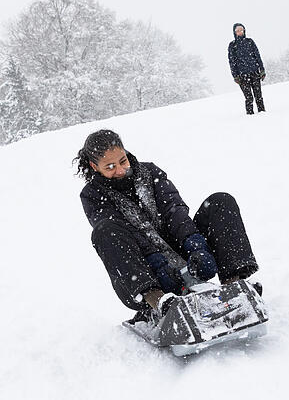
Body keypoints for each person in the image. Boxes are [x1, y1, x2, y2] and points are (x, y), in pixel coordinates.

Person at [76, 129, 260, 318]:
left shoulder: (149, 172)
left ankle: (234, 285)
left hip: (184, 256)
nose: (121, 170)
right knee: (105, 231)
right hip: (145, 272)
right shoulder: (93, 195)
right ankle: (158, 301)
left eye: (123, 161)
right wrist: (158, 265)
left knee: (221, 201)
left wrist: (196, 246)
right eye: (110, 167)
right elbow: (127, 232)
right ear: (95, 166)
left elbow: (175, 211)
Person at [228, 23, 266, 115]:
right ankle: (250, 116)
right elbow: (232, 62)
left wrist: (262, 69)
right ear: (234, 32)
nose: (240, 32)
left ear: (244, 30)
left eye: (241, 30)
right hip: (242, 76)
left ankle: (262, 113)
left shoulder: (250, 41)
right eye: (237, 30)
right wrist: (235, 76)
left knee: (258, 96)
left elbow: (257, 56)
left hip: (254, 72)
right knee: (249, 97)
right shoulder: (232, 45)